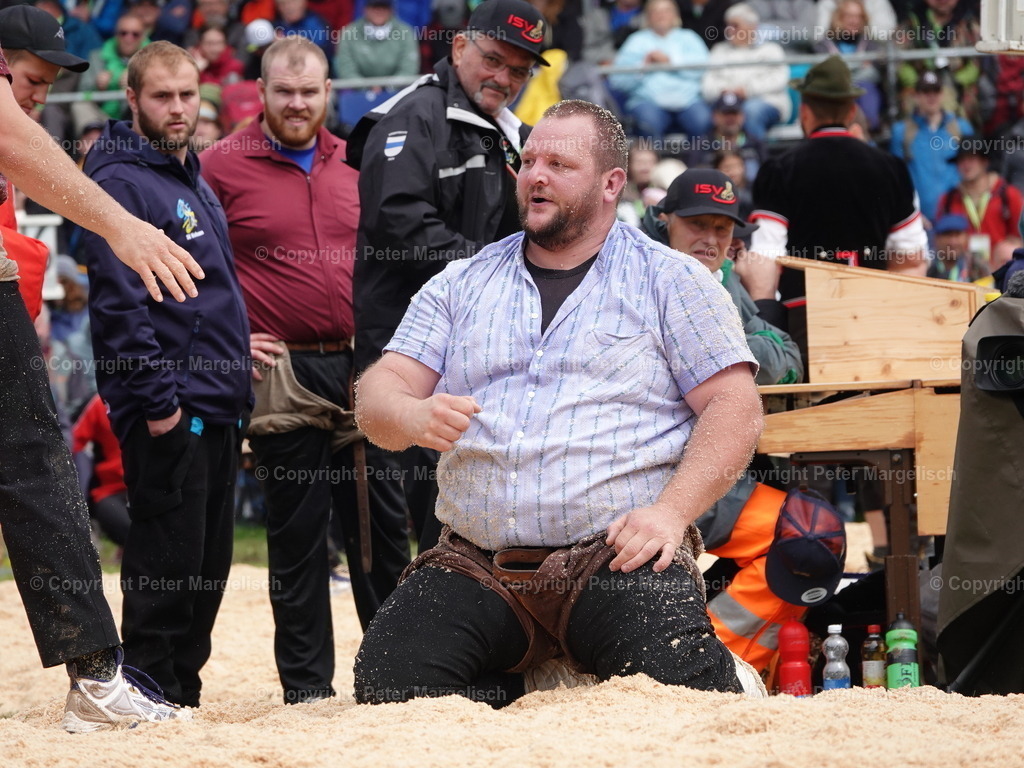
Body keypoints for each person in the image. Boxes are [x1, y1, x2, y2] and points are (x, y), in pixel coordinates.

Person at [352, 100, 764, 707]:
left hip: (615, 555)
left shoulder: (671, 279)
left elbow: (735, 407)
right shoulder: (461, 281)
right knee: (388, 684)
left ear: (610, 183)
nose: (536, 175)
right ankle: (529, 682)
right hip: (477, 562)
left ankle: (717, 677)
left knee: (684, 695)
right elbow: (376, 395)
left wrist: (672, 515)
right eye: (530, 161)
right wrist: (411, 415)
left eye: (559, 164)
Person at [0, 23, 203, 731]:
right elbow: (11, 139)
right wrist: (122, 227)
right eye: (22, 81)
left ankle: (97, 672)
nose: (29, 102)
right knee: (33, 468)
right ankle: (94, 675)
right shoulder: (114, 172)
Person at [201, 35, 411, 705]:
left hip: (363, 368)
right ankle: (307, 691)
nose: (297, 103)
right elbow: (191, 269)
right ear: (259, 93)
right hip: (282, 372)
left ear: (329, 93)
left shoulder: (360, 160)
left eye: (310, 91)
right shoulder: (217, 167)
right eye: (284, 91)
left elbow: (389, 257)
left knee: (381, 533)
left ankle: (396, 677)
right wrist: (230, 335)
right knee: (297, 540)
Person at [80, 41, 252, 710]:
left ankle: (182, 693)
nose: (178, 108)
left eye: (187, 95)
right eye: (162, 97)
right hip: (171, 404)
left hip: (217, 396)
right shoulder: (121, 181)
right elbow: (120, 306)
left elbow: (207, 292)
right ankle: (149, 688)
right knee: (167, 564)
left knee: (207, 565)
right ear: (133, 100)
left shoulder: (189, 175)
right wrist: (159, 406)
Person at [345, 0, 548, 552]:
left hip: (474, 349)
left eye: (518, 70)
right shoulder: (413, 116)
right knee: (424, 514)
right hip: (408, 355)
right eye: (493, 60)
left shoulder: (509, 133)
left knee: (471, 502)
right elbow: (397, 221)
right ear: (459, 47)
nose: (503, 78)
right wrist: (487, 270)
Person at [750, 55, 927, 362]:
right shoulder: (892, 168)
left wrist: (767, 325)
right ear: (852, 111)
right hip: (874, 314)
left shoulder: (779, 169)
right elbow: (911, 258)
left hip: (803, 317)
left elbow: (765, 258)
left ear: (804, 112)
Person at [609, 0, 711, 141]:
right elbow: (618, 81)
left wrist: (670, 61)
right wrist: (644, 66)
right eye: (656, 11)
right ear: (648, 16)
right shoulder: (636, 41)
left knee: (702, 120)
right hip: (648, 102)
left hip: (689, 101)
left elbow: (703, 69)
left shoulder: (689, 37)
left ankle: (696, 161)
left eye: (666, 11)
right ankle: (652, 162)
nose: (661, 15)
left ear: (676, 15)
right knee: (648, 123)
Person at [890, 70, 973, 225]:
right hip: (919, 220)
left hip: (956, 217)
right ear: (916, 95)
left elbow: (973, 172)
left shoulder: (961, 128)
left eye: (936, 90)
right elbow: (896, 179)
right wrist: (911, 213)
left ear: (942, 94)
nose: (931, 96)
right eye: (925, 91)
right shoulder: (901, 132)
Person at [701, 3, 790, 142]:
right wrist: (724, 91)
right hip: (724, 103)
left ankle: (754, 158)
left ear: (752, 27)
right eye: (728, 25)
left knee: (750, 112)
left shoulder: (771, 50)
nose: (730, 30)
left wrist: (747, 90)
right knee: (700, 116)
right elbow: (707, 86)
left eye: (735, 25)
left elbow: (779, 80)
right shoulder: (719, 50)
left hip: (766, 101)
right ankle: (711, 160)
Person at [936, 140, 1024, 273]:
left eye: (971, 159)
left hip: (1002, 270)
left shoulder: (1008, 194)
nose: (966, 165)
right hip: (962, 273)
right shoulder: (948, 199)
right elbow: (940, 240)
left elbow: (1019, 237)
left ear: (985, 162)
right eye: (961, 160)